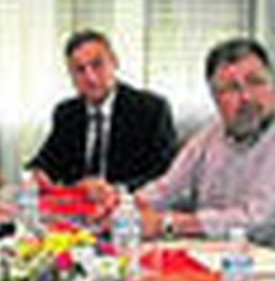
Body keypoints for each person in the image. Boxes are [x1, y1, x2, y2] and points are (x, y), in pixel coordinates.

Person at [129, 37, 275, 256]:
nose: (246, 97)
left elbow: (255, 222)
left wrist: (168, 223)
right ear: (214, 97)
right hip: (238, 261)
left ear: (273, 84)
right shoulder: (213, 133)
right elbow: (168, 188)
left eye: (256, 82)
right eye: (231, 88)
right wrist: (122, 205)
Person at [27, 30, 176, 191]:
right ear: (71, 76)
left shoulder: (151, 109)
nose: (90, 77)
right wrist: (37, 174)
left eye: (97, 65)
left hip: (129, 206)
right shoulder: (67, 113)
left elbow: (166, 172)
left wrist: (116, 189)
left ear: (114, 62)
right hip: (77, 208)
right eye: (80, 70)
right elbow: (46, 161)